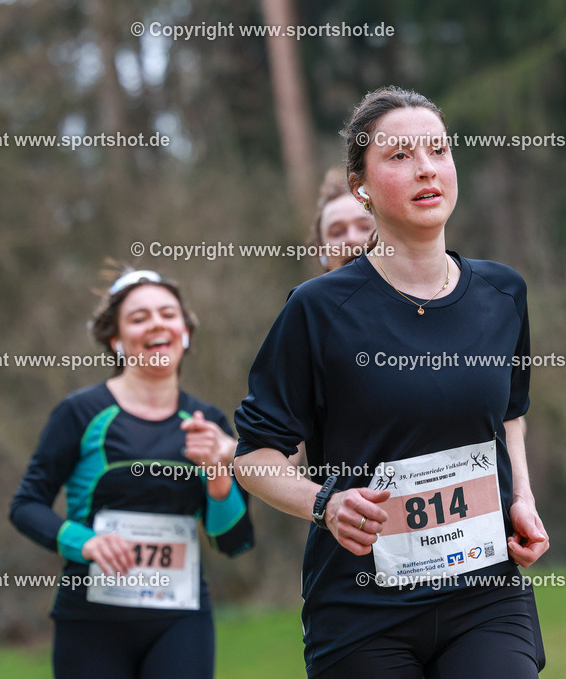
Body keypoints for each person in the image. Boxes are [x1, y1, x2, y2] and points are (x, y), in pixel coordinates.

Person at [235, 87, 548, 678]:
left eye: (438, 150)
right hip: (362, 606)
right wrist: (323, 503)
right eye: (400, 156)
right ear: (362, 184)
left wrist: (521, 500)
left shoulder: (503, 293)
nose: (426, 167)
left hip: (484, 595)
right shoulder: (318, 308)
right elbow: (255, 456)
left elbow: (509, 412)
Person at [10, 268, 254, 678]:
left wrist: (218, 477)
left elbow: (233, 541)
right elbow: (25, 505)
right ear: (116, 340)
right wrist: (86, 543)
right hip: (91, 619)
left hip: (180, 618)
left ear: (186, 332)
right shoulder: (81, 413)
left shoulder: (208, 421)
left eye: (168, 313)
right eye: (139, 318)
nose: (157, 323)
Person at [311, 167, 377, 272]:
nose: (352, 238)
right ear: (322, 252)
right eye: (337, 233)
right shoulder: (307, 289)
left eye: (365, 227)